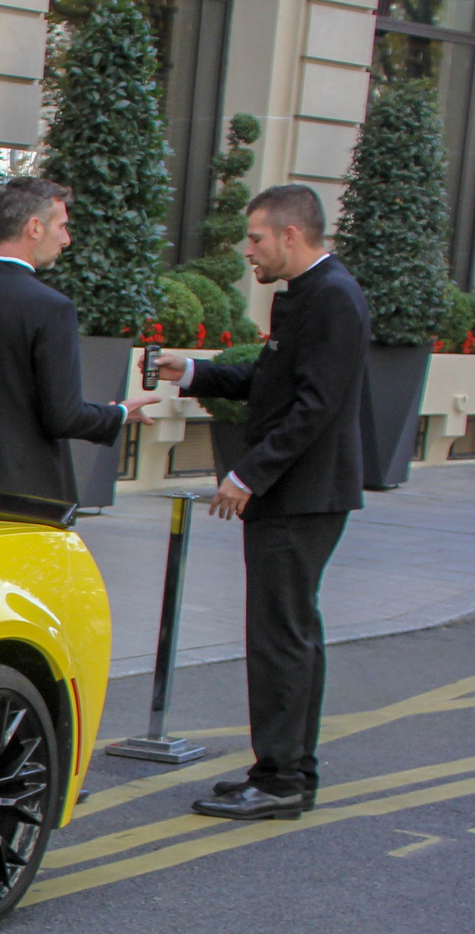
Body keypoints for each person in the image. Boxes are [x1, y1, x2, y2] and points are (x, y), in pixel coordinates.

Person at [156, 184, 369, 822]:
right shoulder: (308, 297)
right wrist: (191, 372)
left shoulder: (333, 298)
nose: (248, 251)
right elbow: (268, 379)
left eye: (255, 238)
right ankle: (281, 768)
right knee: (290, 633)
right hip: (300, 494)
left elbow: (315, 407)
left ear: (291, 236)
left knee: (280, 637)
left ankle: (282, 780)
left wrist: (247, 475)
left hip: (301, 496)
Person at [0, 177, 155, 502]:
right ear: (35, 227)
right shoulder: (53, 309)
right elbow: (63, 416)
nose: (67, 239)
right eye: (62, 226)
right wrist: (117, 414)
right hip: (27, 495)